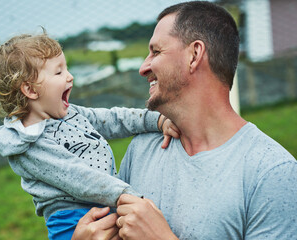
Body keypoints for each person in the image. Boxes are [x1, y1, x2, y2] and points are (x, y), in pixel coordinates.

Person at [72, 1, 297, 239]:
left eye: (156, 52)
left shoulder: (272, 172)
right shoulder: (141, 150)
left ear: (194, 55)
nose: (143, 67)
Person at [0, 33, 179, 240]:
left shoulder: (69, 113)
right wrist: (130, 197)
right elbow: (78, 177)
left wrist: (156, 120)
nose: (69, 76)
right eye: (58, 72)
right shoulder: (30, 144)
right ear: (30, 89)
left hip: (104, 204)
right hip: (72, 223)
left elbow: (112, 119)